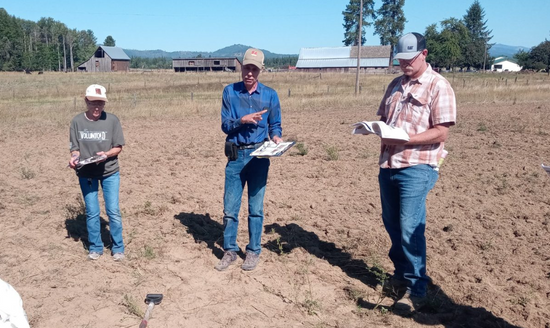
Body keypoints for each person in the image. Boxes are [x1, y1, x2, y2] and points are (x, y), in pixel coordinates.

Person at [374, 32, 457, 313]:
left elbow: (442, 132)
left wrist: (405, 140)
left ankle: (416, 289)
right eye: (401, 60)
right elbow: (384, 118)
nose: (405, 65)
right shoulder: (395, 85)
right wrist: (376, 128)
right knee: (393, 224)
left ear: (424, 54)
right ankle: (401, 274)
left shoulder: (438, 86)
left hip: (417, 167)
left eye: (410, 59)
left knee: (410, 227)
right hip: (388, 165)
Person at [215, 48, 283, 271]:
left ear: (260, 70)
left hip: (259, 156)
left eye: (254, 69)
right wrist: (241, 120)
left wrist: (276, 137)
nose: (250, 73)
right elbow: (225, 125)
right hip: (236, 155)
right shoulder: (230, 92)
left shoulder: (270, 95)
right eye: (247, 68)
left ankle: (253, 251)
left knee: (256, 207)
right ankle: (230, 250)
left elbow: (275, 124)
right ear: (241, 68)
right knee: (230, 207)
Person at [68, 84, 126, 261]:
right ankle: (95, 247)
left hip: (109, 172)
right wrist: (74, 158)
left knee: (113, 210)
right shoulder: (77, 122)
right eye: (93, 103)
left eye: (101, 103)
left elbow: (118, 147)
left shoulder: (112, 121)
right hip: (86, 174)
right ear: (86, 101)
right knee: (92, 211)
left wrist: (106, 155)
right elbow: (75, 149)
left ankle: (118, 248)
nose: (97, 107)